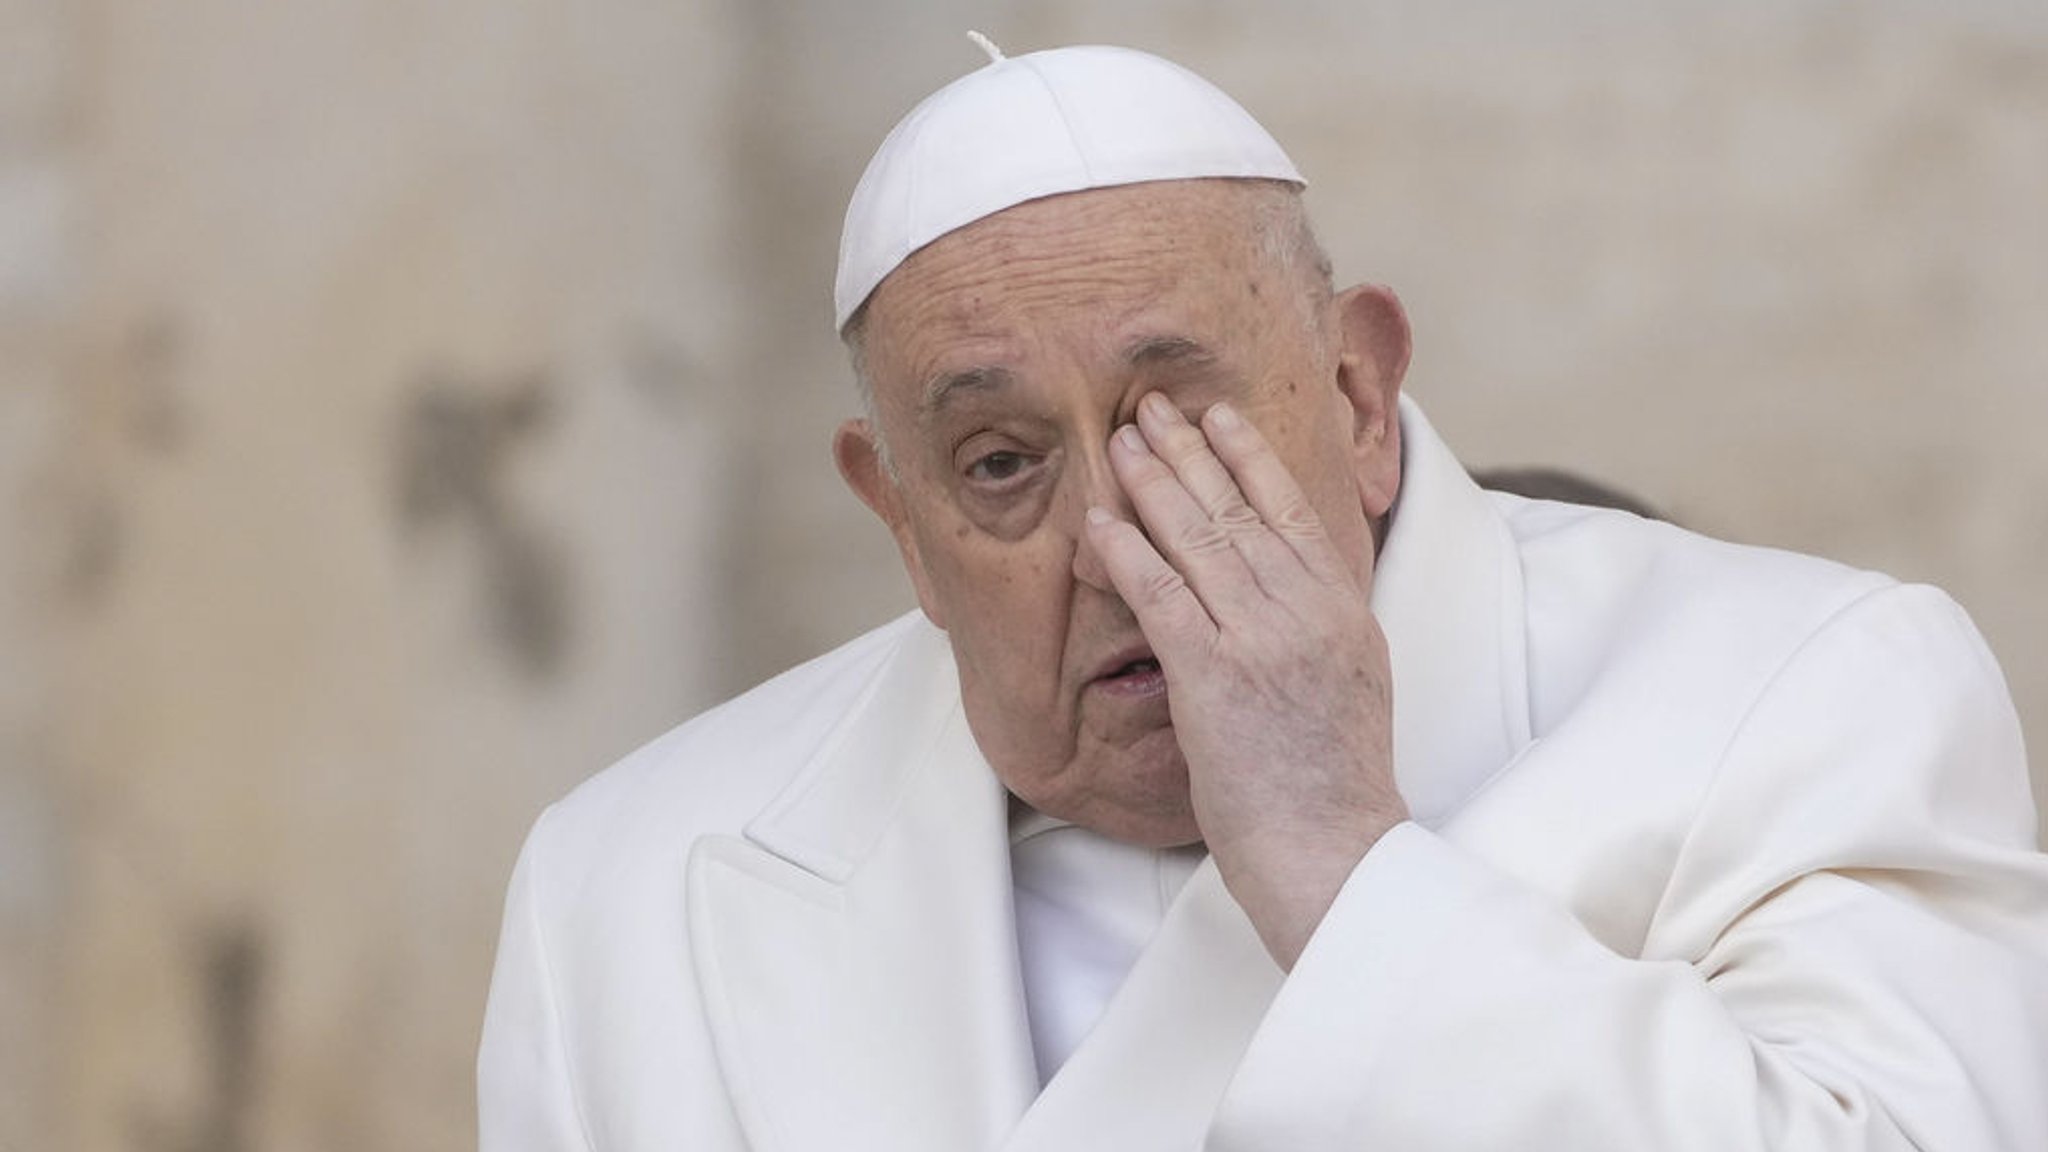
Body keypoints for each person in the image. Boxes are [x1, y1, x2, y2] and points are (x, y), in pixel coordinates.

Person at [478, 39, 2048, 1151]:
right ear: (898, 518)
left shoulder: (1803, 693)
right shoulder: (624, 884)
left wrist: (1347, 871)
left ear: (1359, 393)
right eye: (1004, 462)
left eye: (1180, 423)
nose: (1114, 538)